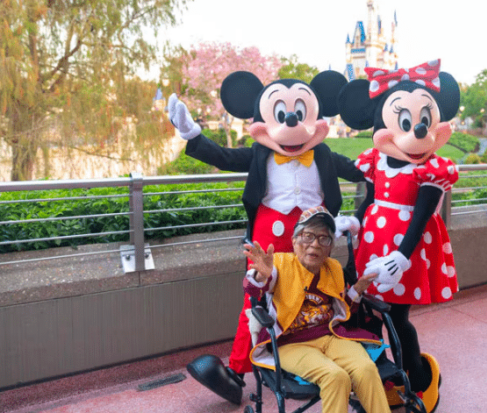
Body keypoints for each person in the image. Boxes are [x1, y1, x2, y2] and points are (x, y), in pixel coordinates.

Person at [168, 71, 363, 405]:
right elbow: (224, 157)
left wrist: (392, 168)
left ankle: (332, 348)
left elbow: (362, 169)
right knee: (257, 298)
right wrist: (191, 132)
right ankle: (238, 370)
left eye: (301, 113)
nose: (291, 122)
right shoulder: (259, 153)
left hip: (314, 233)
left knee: (321, 289)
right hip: (268, 237)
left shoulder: (324, 154)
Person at [337, 59, 461, 412]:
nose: (418, 131)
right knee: (367, 314)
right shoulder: (377, 160)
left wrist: (402, 255)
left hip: (405, 252)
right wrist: (356, 221)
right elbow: (372, 198)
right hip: (371, 246)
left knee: (397, 317)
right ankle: (382, 377)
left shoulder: (431, 169)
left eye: (423, 121)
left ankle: (420, 379)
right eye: (406, 122)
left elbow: (422, 217)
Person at [244, 207, 390, 413]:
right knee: (335, 376)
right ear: (294, 241)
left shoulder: (333, 268)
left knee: (366, 369)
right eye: (308, 236)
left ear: (329, 246)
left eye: (324, 238)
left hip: (330, 336)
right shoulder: (279, 264)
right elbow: (253, 288)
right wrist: (260, 276)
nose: (315, 244)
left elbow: (343, 311)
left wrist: (357, 290)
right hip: (291, 343)